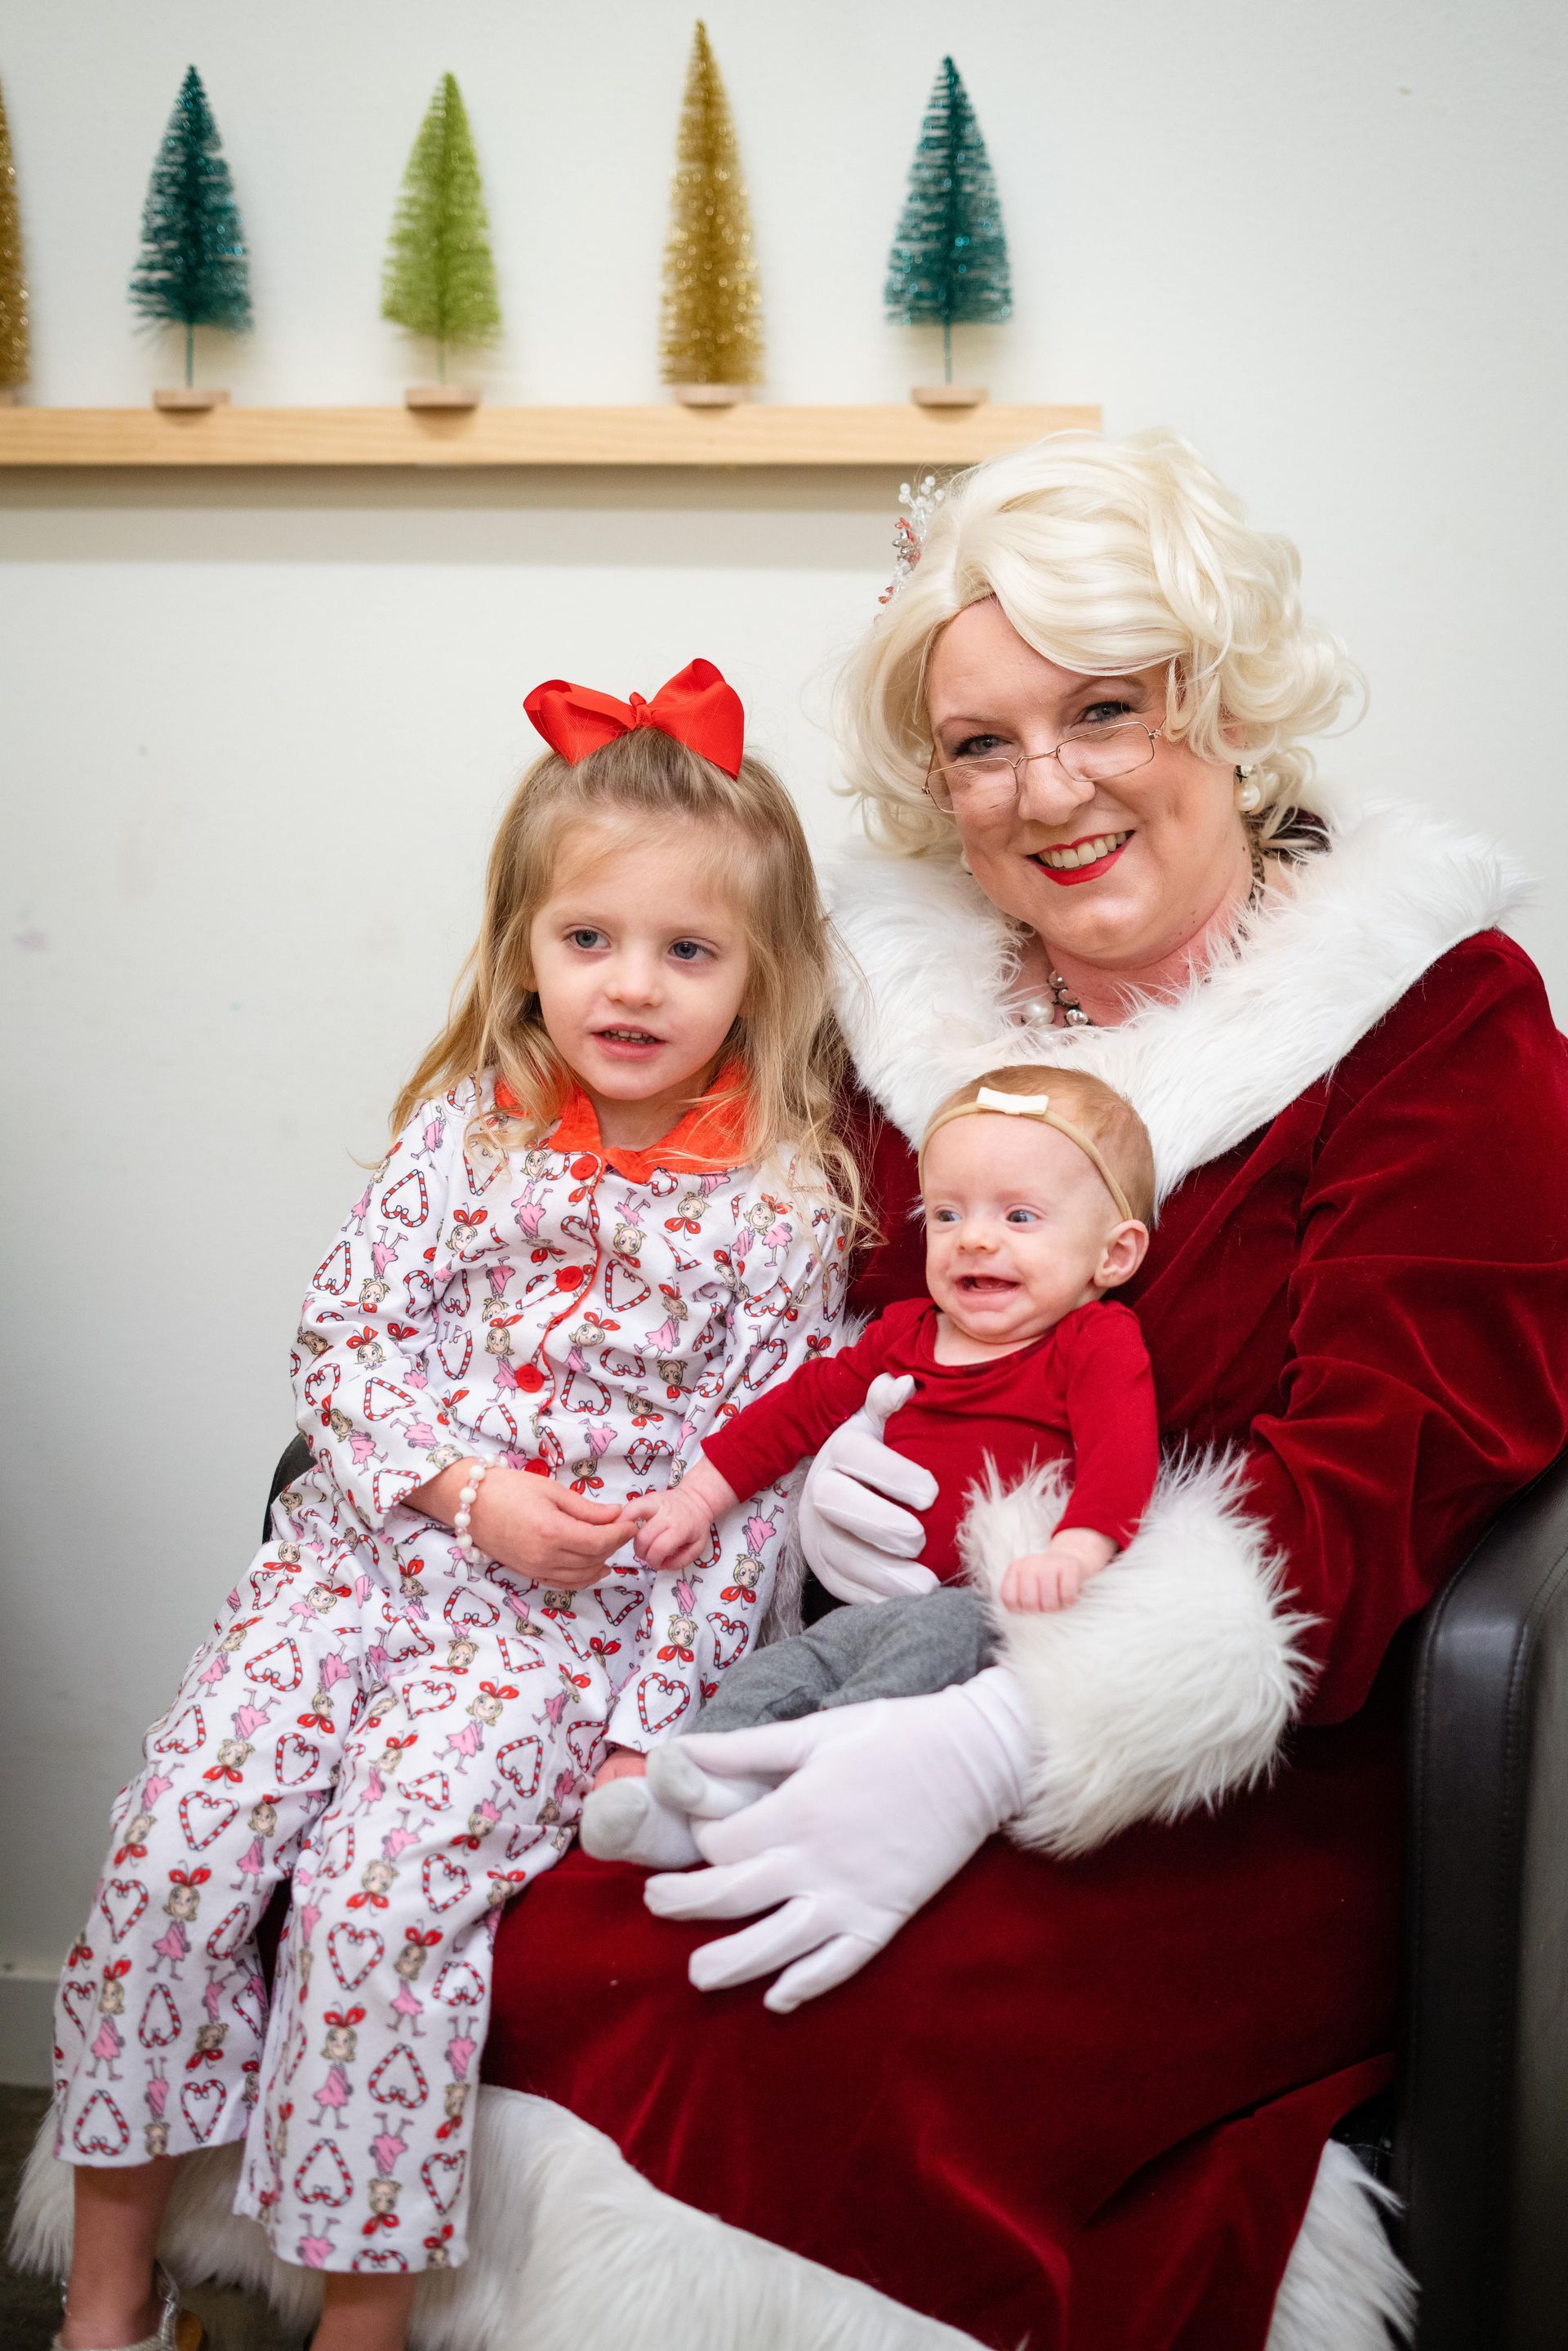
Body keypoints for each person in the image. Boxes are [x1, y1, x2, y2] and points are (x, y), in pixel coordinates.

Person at [465, 433, 1568, 2351]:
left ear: (1219, 703)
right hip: (856, 1672)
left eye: (1105, 711)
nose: (1047, 790)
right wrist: (820, 1477)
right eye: (980, 744)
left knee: (810, 2049)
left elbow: (1398, 1463)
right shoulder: (898, 1022)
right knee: (527, 1943)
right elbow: (783, 1321)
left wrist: (1013, 1743)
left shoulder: (1432, 1012)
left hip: (1246, 1772)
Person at [47, 662, 855, 2351]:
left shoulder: (778, 1209)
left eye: (689, 950)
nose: (632, 984)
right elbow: (338, 1346)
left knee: (376, 1907)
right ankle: (105, 2292)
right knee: (173, 1856)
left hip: (551, 1646)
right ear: (526, 945)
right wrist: (468, 1489)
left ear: (759, 976)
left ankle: (365, 2318)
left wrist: (648, 1730)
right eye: (591, 939)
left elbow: (744, 1487)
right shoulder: (459, 1136)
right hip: (353, 1575)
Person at [581, 1063, 1160, 1875]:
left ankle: (806, 1777)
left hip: (986, 1617)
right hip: (860, 1608)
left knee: (934, 1636)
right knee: (777, 1668)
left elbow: (1122, 1456)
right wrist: (696, 1495)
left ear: (1114, 1251)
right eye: (948, 1213)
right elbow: (795, 1411)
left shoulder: (1090, 1341)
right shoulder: (903, 1333)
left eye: (1020, 1215)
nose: (976, 1238)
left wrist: (1075, 1551)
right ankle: (693, 1797)